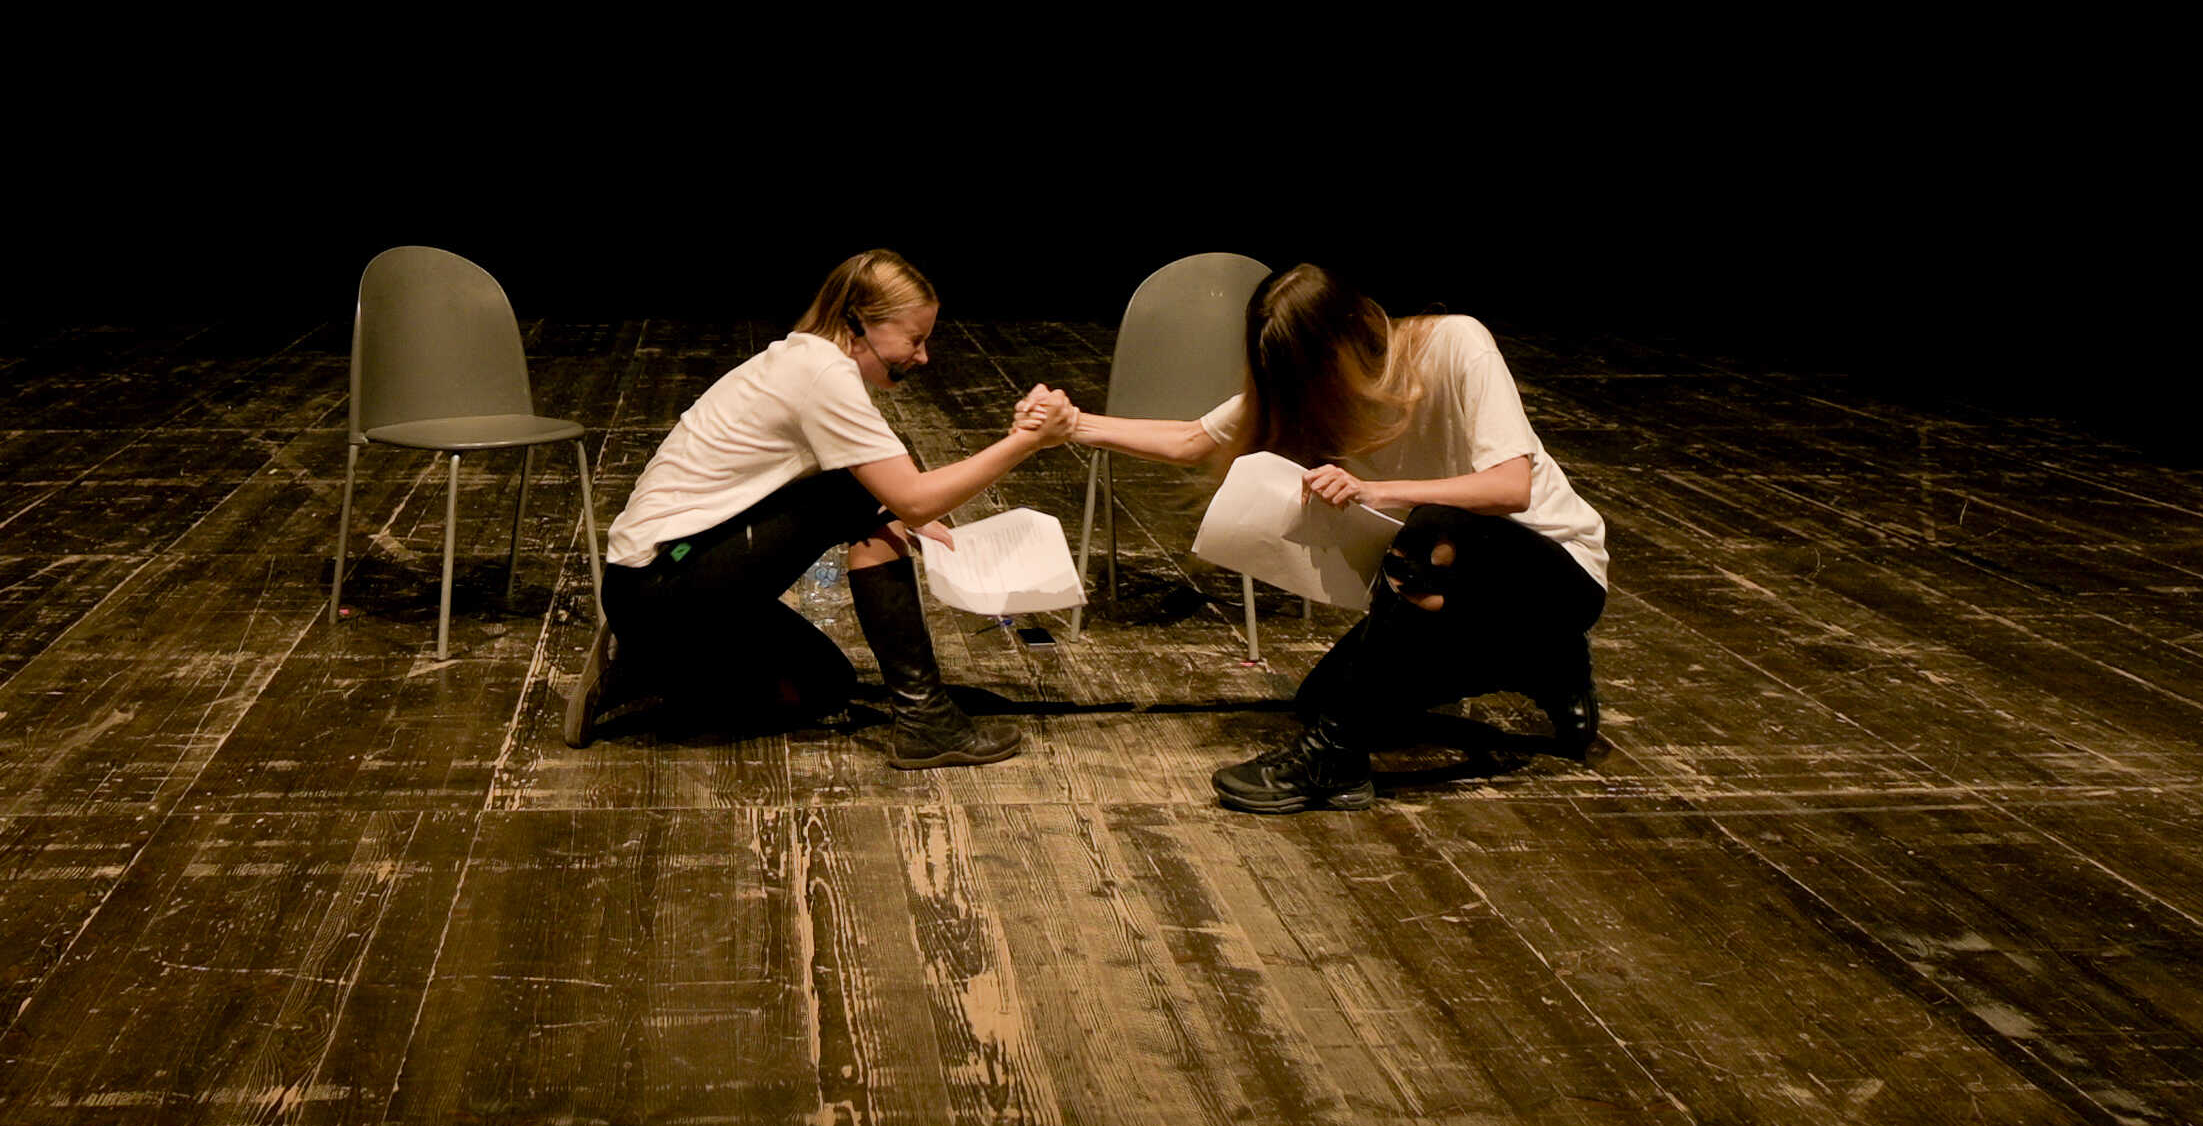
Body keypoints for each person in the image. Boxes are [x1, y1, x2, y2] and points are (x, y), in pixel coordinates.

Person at [1063, 262, 1609, 812]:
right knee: (1323, 699)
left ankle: (1336, 760)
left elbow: (1509, 487)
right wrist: (1069, 425)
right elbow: (1191, 438)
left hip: (1553, 575)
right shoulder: (1312, 388)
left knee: (1433, 526)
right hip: (1454, 596)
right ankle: (1548, 661)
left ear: (1347, 340)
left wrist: (1377, 491)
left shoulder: (1455, 343)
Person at [577, 248, 1071, 766]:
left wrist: (905, 511)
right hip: (663, 586)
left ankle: (644, 668)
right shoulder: (821, 376)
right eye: (915, 339)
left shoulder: (806, 360)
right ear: (859, 323)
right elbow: (911, 496)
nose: (922, 356)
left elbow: (901, 499)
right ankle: (926, 719)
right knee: (859, 499)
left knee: (823, 687)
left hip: (658, 584)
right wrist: (1027, 442)